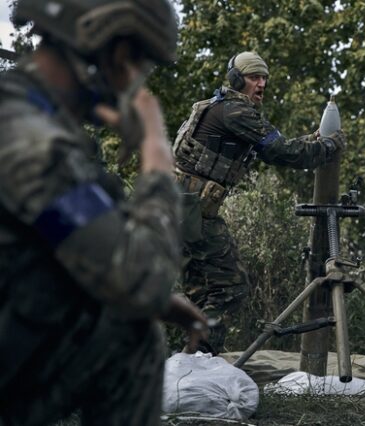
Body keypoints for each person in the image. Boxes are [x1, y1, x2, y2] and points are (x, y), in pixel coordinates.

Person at [0, 1, 209, 424]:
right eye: (142, 63)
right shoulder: (35, 144)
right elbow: (141, 277)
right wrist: (155, 154)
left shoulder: (21, 115)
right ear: (117, 56)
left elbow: (47, 241)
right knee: (129, 335)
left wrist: (121, 283)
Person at [172, 51, 346, 354]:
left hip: (176, 206)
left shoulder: (220, 108)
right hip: (191, 209)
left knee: (201, 292)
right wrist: (329, 146)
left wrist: (313, 139)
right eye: (254, 77)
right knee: (231, 287)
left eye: (264, 77)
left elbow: (275, 146)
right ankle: (198, 357)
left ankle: (191, 368)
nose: (261, 83)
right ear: (237, 80)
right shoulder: (237, 113)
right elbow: (283, 153)